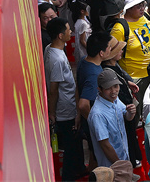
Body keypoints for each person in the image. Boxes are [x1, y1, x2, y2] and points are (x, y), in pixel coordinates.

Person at [44, 18, 86, 181]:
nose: (71, 32)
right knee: (70, 148)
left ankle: (79, 170)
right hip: (65, 110)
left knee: (75, 144)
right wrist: (52, 112)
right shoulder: (57, 60)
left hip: (68, 106)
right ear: (60, 35)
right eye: (68, 30)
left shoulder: (51, 49)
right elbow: (54, 89)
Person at [109, 0, 150, 98]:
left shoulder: (145, 17)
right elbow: (111, 56)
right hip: (134, 78)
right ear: (128, 8)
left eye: (143, 5)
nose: (142, 8)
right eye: (138, 6)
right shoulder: (119, 29)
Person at [88, 68, 136, 168]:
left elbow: (126, 116)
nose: (114, 91)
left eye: (116, 86)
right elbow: (105, 145)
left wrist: (131, 112)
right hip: (111, 167)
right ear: (99, 89)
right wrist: (120, 166)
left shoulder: (115, 99)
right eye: (108, 88)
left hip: (123, 159)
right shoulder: (97, 114)